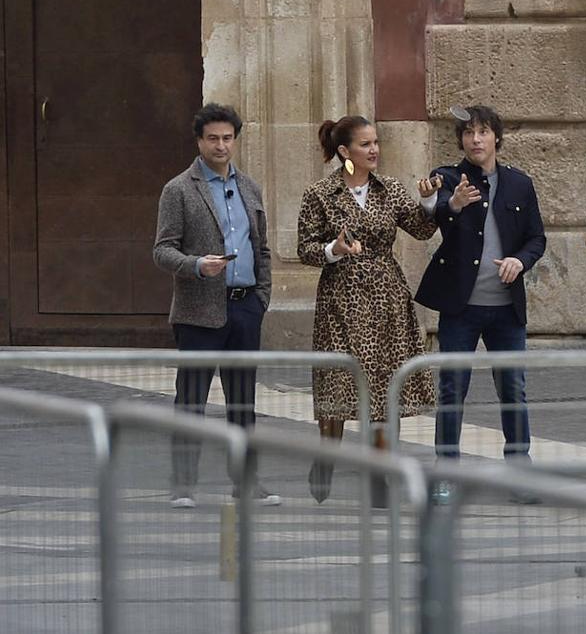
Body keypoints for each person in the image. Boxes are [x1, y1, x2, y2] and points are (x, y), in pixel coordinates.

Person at [297, 115, 442, 502]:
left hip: (386, 296)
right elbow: (305, 248)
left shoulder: (390, 189)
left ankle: (379, 473)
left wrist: (430, 202)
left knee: (384, 384)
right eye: (365, 144)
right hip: (340, 297)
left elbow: (423, 229)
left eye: (375, 142)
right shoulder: (321, 193)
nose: (374, 149)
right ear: (344, 151)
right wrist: (334, 250)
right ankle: (326, 458)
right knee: (339, 379)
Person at [415, 105, 546, 502]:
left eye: (483, 132)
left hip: (506, 309)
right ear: (461, 141)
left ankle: (520, 472)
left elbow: (536, 239)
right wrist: (450, 203)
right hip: (461, 307)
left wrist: (519, 262)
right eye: (468, 133)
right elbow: (435, 218)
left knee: (513, 388)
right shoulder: (450, 177)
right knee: (452, 388)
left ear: (496, 139)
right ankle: (445, 473)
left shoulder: (520, 185)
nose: (475, 140)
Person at [153, 103, 279, 509]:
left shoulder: (250, 188)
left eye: (227, 138)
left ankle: (246, 481)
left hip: (245, 306)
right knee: (191, 399)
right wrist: (195, 266)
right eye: (213, 139)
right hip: (198, 309)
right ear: (199, 141)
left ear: (235, 140)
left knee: (243, 401)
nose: (221, 145)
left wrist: (262, 296)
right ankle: (183, 483)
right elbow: (162, 250)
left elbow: (261, 247)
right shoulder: (179, 189)